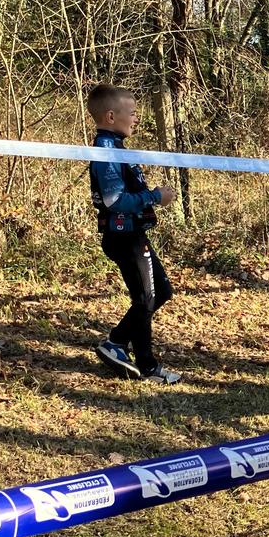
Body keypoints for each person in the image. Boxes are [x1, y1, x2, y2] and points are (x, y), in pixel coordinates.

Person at [87, 83, 182, 384]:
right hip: (123, 237)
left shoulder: (115, 147)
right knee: (145, 298)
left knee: (160, 292)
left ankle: (116, 342)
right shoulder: (105, 150)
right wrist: (154, 196)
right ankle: (146, 365)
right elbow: (115, 201)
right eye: (133, 113)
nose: (137, 118)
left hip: (134, 234)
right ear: (112, 116)